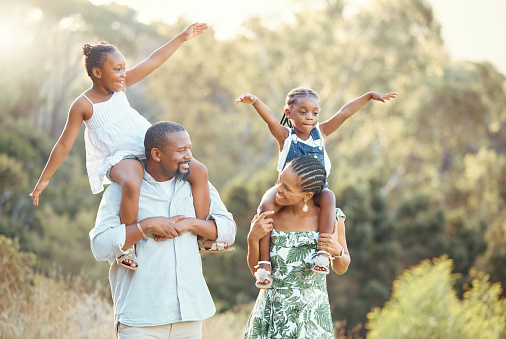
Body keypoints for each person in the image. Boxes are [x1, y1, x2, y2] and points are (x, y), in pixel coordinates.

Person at [30, 22, 225, 270]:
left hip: (147, 144)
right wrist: (44, 179)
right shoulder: (83, 104)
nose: (123, 73)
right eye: (117, 69)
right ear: (98, 73)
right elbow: (63, 144)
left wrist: (182, 37)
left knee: (199, 171)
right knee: (132, 182)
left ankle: (201, 232)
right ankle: (127, 246)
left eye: (124, 68)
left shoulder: (120, 86)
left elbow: (153, 60)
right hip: (118, 156)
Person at [90, 121, 236, 338]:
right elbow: (99, 246)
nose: (189, 155)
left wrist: (191, 223)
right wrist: (145, 225)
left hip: (189, 316)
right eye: (181, 150)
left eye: (189, 148)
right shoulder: (121, 190)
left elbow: (228, 230)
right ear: (156, 154)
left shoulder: (196, 184)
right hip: (140, 319)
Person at [236, 88, 396, 286]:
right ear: (289, 113)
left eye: (315, 112)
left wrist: (369, 96)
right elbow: (270, 120)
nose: (310, 117)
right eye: (303, 112)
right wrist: (256, 102)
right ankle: (265, 264)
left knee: (329, 196)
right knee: (266, 206)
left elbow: (344, 113)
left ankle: (322, 253)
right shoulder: (286, 137)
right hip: (287, 189)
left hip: (316, 192)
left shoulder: (321, 134)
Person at [244, 156, 350, 338]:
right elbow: (256, 270)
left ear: (307, 196)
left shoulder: (332, 218)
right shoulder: (269, 217)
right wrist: (252, 239)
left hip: (313, 321)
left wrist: (337, 251)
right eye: (279, 182)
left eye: (287, 188)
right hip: (272, 317)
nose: (278, 189)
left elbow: (341, 268)